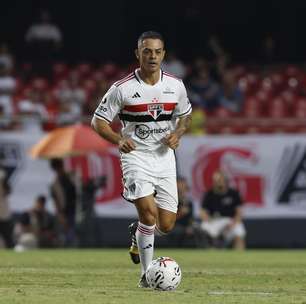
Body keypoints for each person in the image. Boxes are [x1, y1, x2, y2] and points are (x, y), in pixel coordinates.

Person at [91, 31, 192, 287]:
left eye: (157, 51)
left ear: (164, 55)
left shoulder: (175, 85)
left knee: (166, 224)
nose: (152, 56)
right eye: (147, 51)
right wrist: (118, 139)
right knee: (148, 215)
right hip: (135, 157)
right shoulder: (122, 89)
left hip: (165, 158)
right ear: (138, 54)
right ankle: (146, 276)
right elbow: (98, 121)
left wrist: (178, 132)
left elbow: (186, 116)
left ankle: (138, 236)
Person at [200, 170, 246, 249]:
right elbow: (203, 212)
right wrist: (209, 220)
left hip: (230, 221)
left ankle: (240, 259)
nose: (218, 182)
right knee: (203, 227)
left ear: (225, 180)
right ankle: (211, 251)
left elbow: (239, 212)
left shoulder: (233, 193)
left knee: (239, 234)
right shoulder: (209, 194)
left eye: (220, 180)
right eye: (216, 180)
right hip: (214, 221)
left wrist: (233, 223)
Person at [49, 158, 77, 247]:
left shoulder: (71, 177)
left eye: (60, 168)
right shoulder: (54, 185)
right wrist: (60, 215)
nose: (59, 170)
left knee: (74, 233)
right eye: (57, 169)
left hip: (76, 210)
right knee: (67, 234)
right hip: (65, 212)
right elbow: (56, 202)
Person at [0, 164, 13, 248]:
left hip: (3, 210)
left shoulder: (1, 174)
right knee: (7, 237)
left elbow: (8, 190)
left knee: (7, 237)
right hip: (3, 210)